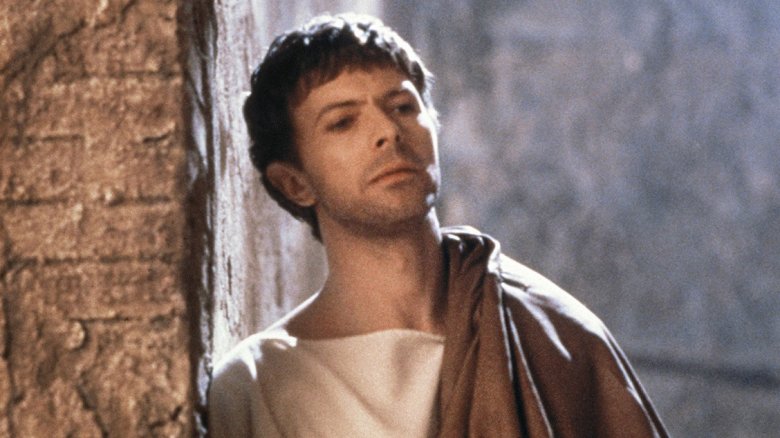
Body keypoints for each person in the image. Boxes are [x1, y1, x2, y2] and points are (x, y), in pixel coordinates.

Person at [208, 13, 668, 438]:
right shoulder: (258, 386)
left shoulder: (553, 335)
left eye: (402, 107)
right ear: (295, 183)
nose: (388, 131)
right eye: (343, 122)